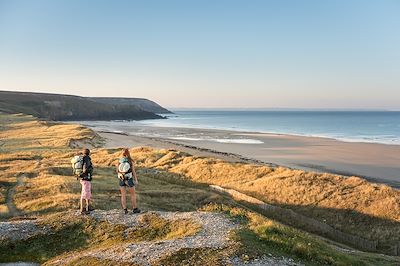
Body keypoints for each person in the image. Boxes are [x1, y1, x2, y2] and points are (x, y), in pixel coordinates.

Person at [117, 148, 140, 214]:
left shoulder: (119, 160)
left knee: (123, 195)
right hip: (129, 179)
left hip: (121, 179)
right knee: (133, 194)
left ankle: (125, 209)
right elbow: (133, 171)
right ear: (128, 153)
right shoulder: (130, 161)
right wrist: (136, 179)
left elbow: (117, 171)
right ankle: (135, 208)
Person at [79, 148, 93, 214]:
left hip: (84, 178)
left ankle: (88, 207)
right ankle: (83, 209)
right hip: (85, 178)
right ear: (89, 153)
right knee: (84, 194)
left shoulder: (83, 158)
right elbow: (86, 168)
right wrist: (86, 173)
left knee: (87, 193)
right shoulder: (87, 158)